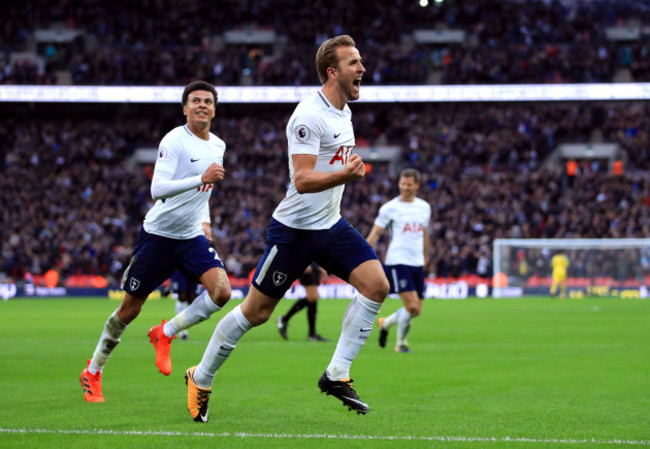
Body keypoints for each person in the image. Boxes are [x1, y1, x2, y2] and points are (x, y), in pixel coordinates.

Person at [183, 35, 389, 422]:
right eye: (354, 63)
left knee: (377, 285)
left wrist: (342, 174)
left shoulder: (343, 111)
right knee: (255, 312)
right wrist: (345, 172)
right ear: (333, 72)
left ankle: (336, 374)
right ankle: (201, 376)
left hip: (330, 226)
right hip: (294, 232)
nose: (362, 68)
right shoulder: (309, 115)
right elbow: (304, 180)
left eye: (360, 62)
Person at [79, 80, 232, 403]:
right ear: (185, 109)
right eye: (195, 101)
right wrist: (200, 178)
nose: (202, 105)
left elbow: (204, 194)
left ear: (214, 110)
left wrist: (205, 223)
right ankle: (93, 370)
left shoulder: (218, 145)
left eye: (207, 101)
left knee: (222, 292)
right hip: (158, 237)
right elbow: (157, 189)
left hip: (190, 236)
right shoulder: (174, 141)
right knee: (129, 309)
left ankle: (165, 333)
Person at [367, 169, 431, 354]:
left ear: (416, 185)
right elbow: (376, 233)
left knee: (416, 310)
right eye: (402, 184)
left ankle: (385, 323)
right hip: (398, 260)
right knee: (410, 306)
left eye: (409, 184)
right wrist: (363, 256)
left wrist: (426, 256)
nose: (405, 187)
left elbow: (424, 233)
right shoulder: (389, 208)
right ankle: (401, 344)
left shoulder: (424, 207)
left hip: (417, 262)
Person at [277, 262, 330, 342]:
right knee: (312, 298)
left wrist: (319, 266)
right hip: (306, 264)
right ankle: (285, 319)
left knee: (313, 299)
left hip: (314, 264)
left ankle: (312, 334)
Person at [164, 269, 203, 340]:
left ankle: (182, 324)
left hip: (194, 266)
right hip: (179, 266)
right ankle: (182, 330)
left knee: (193, 299)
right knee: (182, 296)